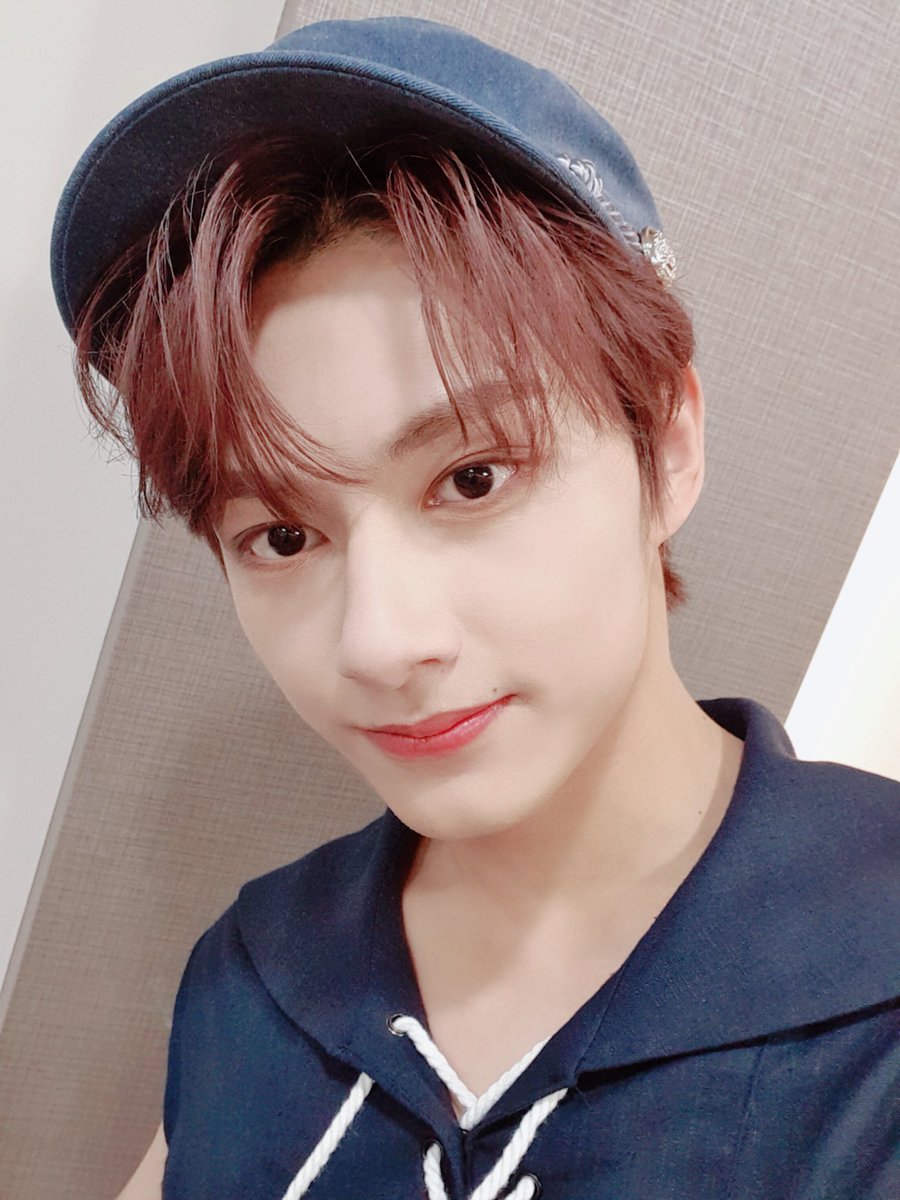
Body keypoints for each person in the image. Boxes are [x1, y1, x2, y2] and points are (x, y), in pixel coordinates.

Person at [51, 16, 898, 1200]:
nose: (380, 643)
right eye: (283, 536)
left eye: (474, 477)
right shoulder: (253, 976)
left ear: (666, 446)